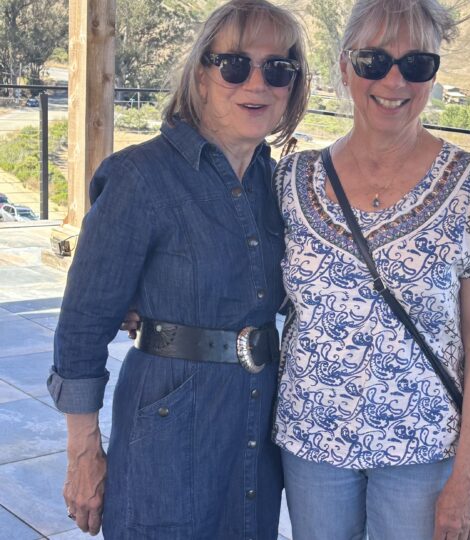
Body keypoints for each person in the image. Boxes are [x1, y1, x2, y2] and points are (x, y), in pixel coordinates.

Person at [46, 0, 310, 538]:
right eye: (235, 64)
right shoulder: (140, 177)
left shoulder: (278, 185)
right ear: (202, 75)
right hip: (169, 423)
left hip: (254, 418)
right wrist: (83, 453)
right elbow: (83, 326)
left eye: (277, 69)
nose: (256, 83)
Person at [272, 1, 470, 539]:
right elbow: (235, 270)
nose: (394, 80)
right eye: (373, 60)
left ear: (433, 75)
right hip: (312, 440)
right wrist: (144, 299)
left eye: (416, 64)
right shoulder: (292, 179)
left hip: (423, 448)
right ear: (345, 67)